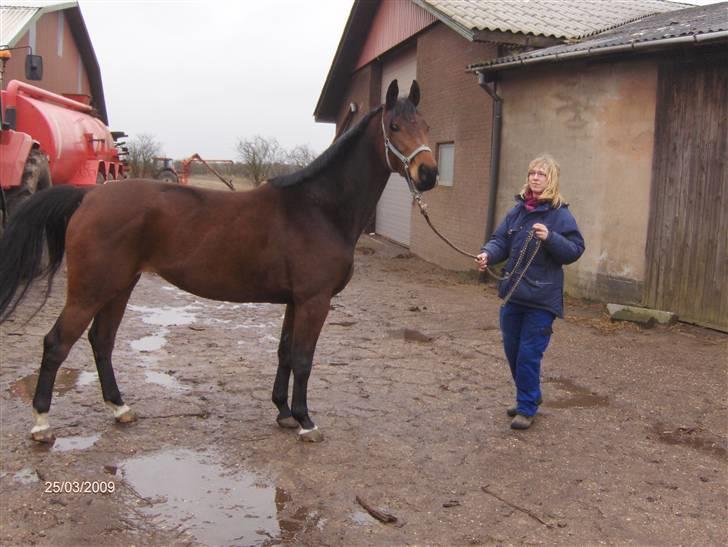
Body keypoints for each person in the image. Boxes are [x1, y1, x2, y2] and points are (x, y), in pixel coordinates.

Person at [476, 155, 584, 430]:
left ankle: (526, 407)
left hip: (541, 301)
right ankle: (531, 396)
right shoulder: (517, 211)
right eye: (532, 173)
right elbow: (501, 240)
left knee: (528, 355)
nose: (535, 177)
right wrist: (488, 254)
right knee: (513, 352)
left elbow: (575, 250)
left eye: (542, 174)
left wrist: (551, 237)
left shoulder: (560, 214)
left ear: (552, 180)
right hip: (513, 295)